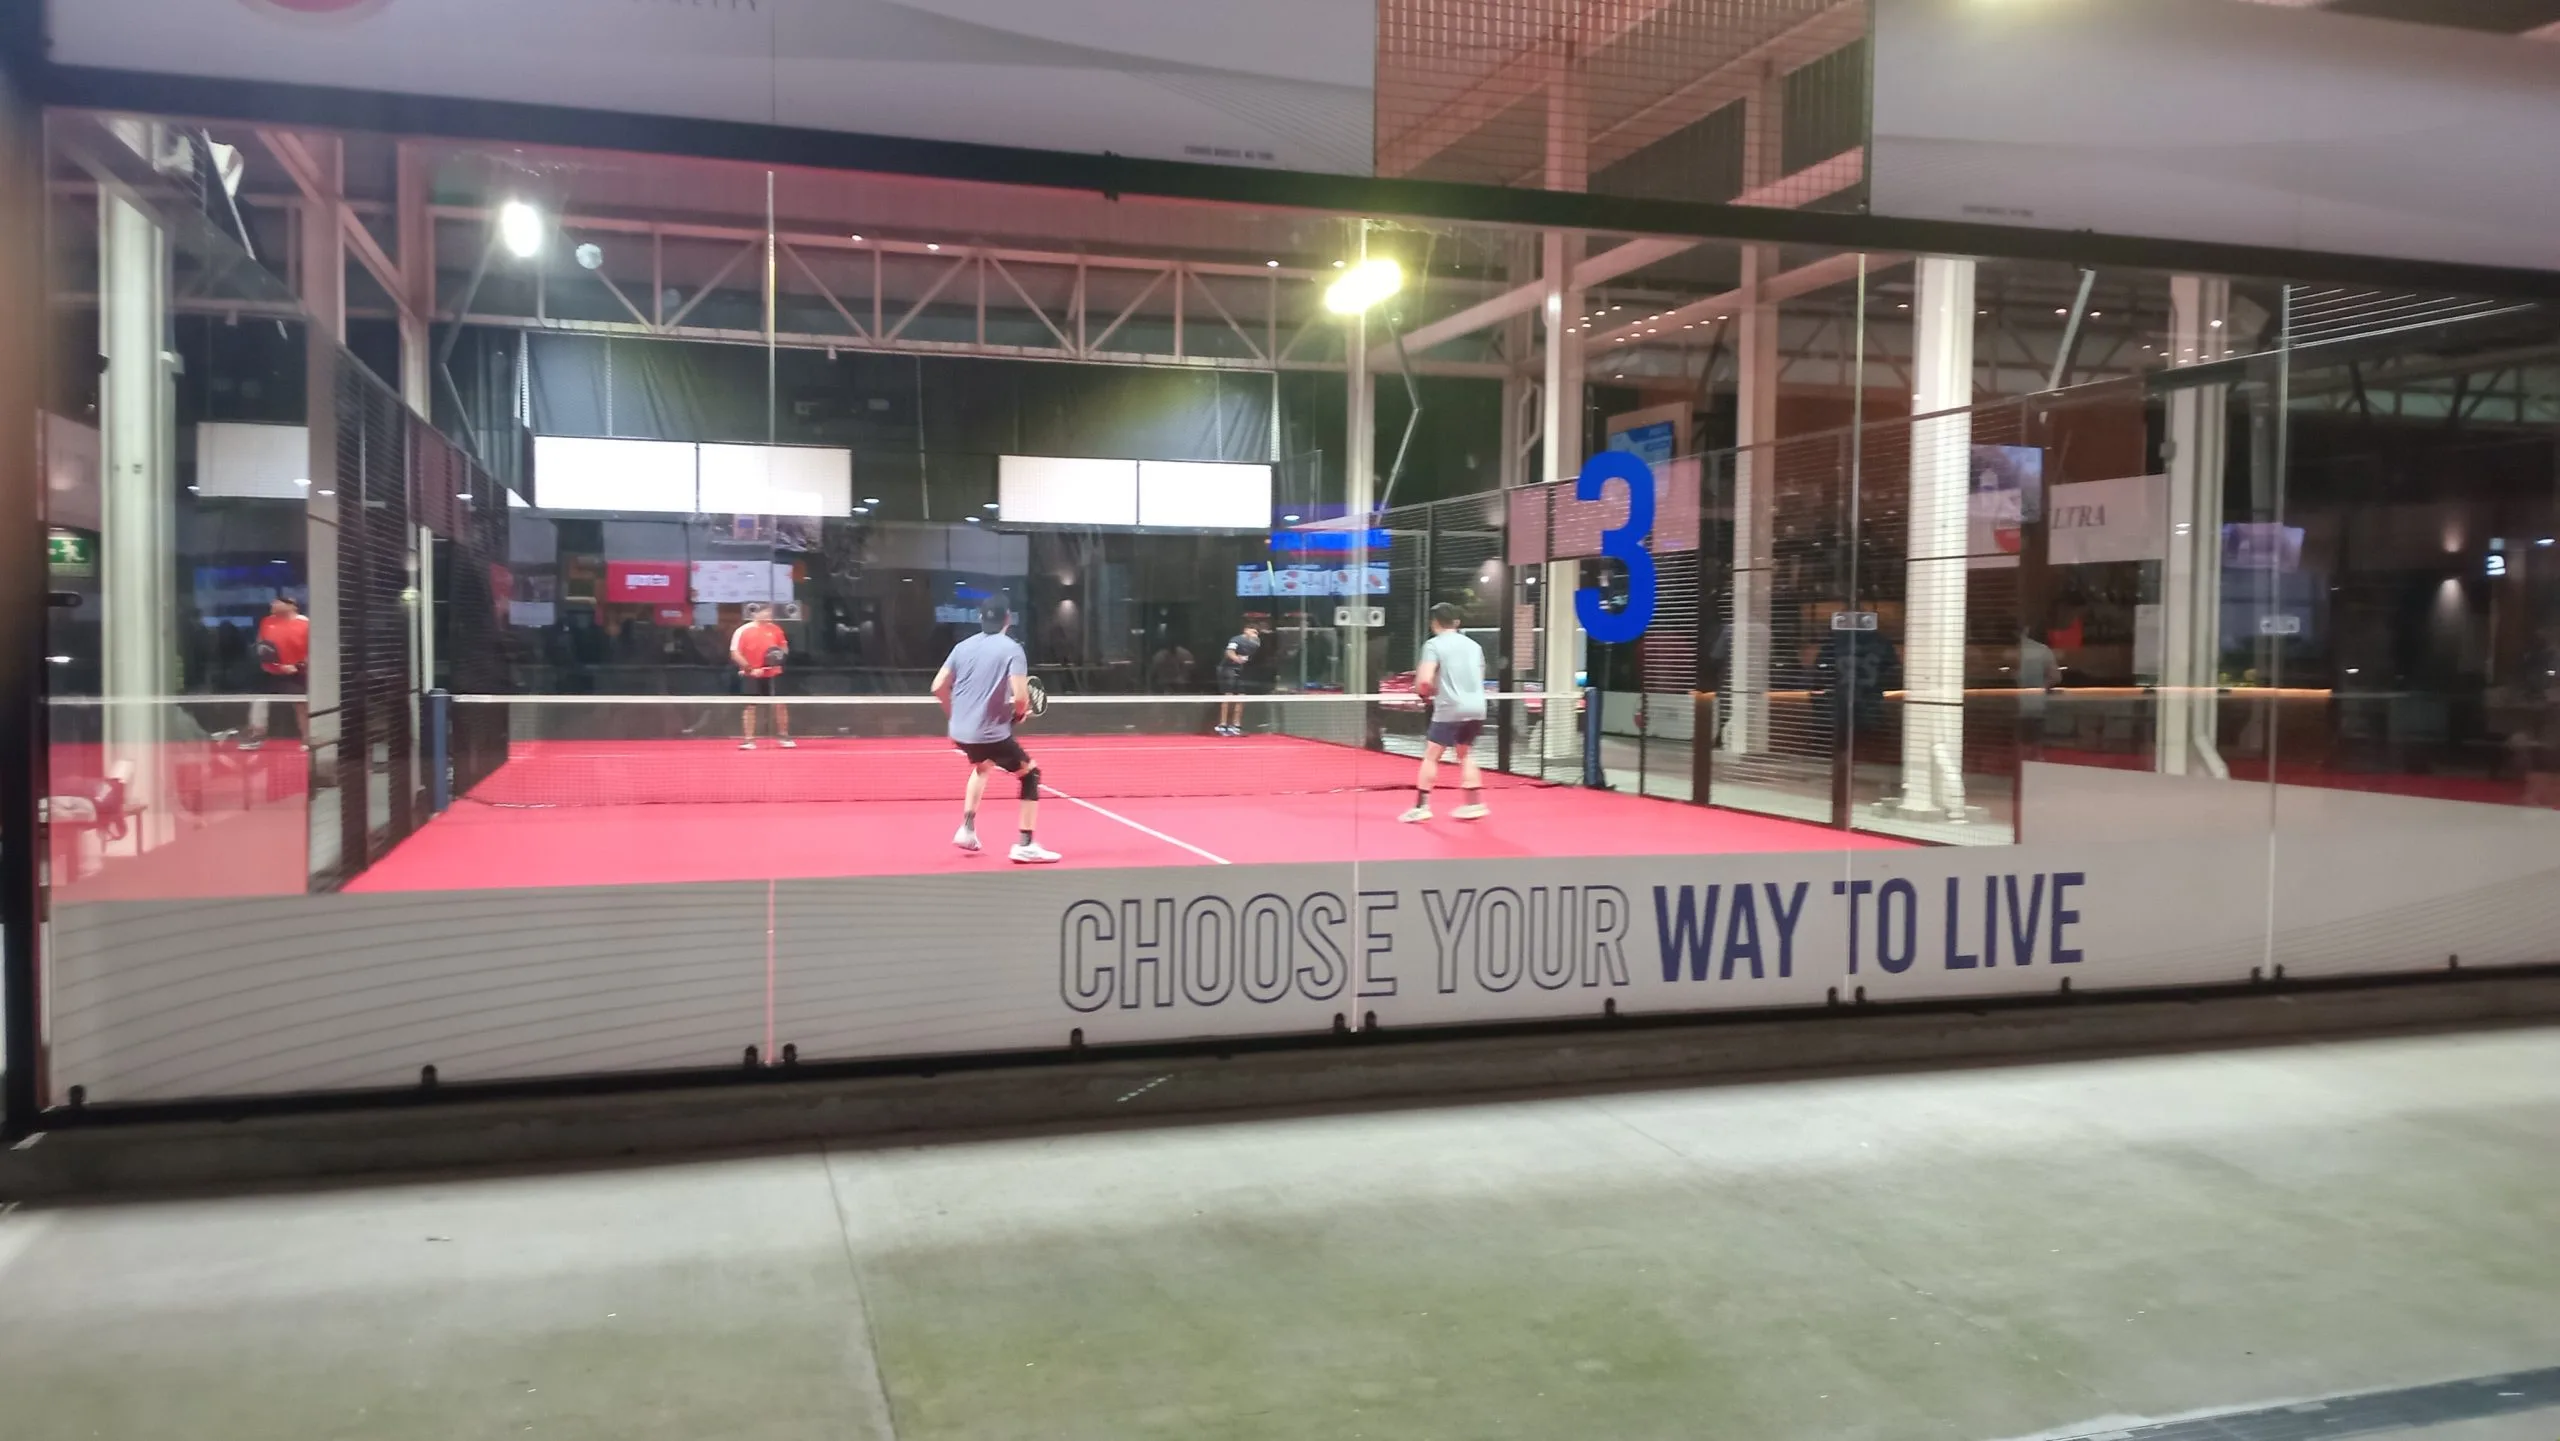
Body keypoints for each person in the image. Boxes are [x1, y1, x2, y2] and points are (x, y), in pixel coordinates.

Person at [933, 595, 1059, 864]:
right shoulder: (1012, 649)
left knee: (983, 765)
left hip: (961, 733)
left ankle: (967, 829)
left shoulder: (961, 647)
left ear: (980, 619)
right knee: (1031, 774)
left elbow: (937, 686)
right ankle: (1025, 844)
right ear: (1007, 620)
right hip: (989, 733)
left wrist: (954, 715)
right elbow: (1021, 697)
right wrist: (1019, 714)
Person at [1403, 603, 1490, 823]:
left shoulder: (1433, 645)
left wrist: (1425, 693)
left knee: (1432, 754)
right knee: (1465, 753)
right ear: (1457, 622)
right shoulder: (1474, 646)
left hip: (1449, 708)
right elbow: (1479, 677)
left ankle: (1421, 806)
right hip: (1477, 706)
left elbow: (1423, 680)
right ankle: (1474, 803)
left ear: (1434, 623)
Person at [243, 594, 309, 752]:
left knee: (301, 706)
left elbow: (312, 650)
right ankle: (257, 736)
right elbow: (261, 645)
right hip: (270, 671)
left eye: (277, 602)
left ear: (291, 605)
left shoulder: (306, 624)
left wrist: (297, 666)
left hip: (296, 672)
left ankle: (307, 739)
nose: (273, 604)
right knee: (259, 703)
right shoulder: (267, 621)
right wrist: (269, 663)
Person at [730, 602, 794, 750]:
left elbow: (783, 649)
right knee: (750, 707)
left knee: (780, 705)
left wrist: (777, 659)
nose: (769, 615)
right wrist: (750, 669)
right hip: (751, 675)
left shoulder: (776, 629)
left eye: (770, 613)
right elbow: (735, 653)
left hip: (773, 674)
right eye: (765, 612)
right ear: (755, 614)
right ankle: (749, 740)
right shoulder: (743, 631)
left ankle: (783, 736)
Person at [1216, 623, 1261, 736]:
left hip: (1241, 671)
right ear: (1246, 630)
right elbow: (1229, 652)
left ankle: (1235, 726)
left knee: (1241, 696)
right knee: (1228, 696)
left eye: (1257, 633)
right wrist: (1236, 659)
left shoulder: (1256, 643)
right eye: (1253, 631)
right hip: (1227, 669)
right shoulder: (1236, 640)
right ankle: (1222, 725)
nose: (1255, 634)